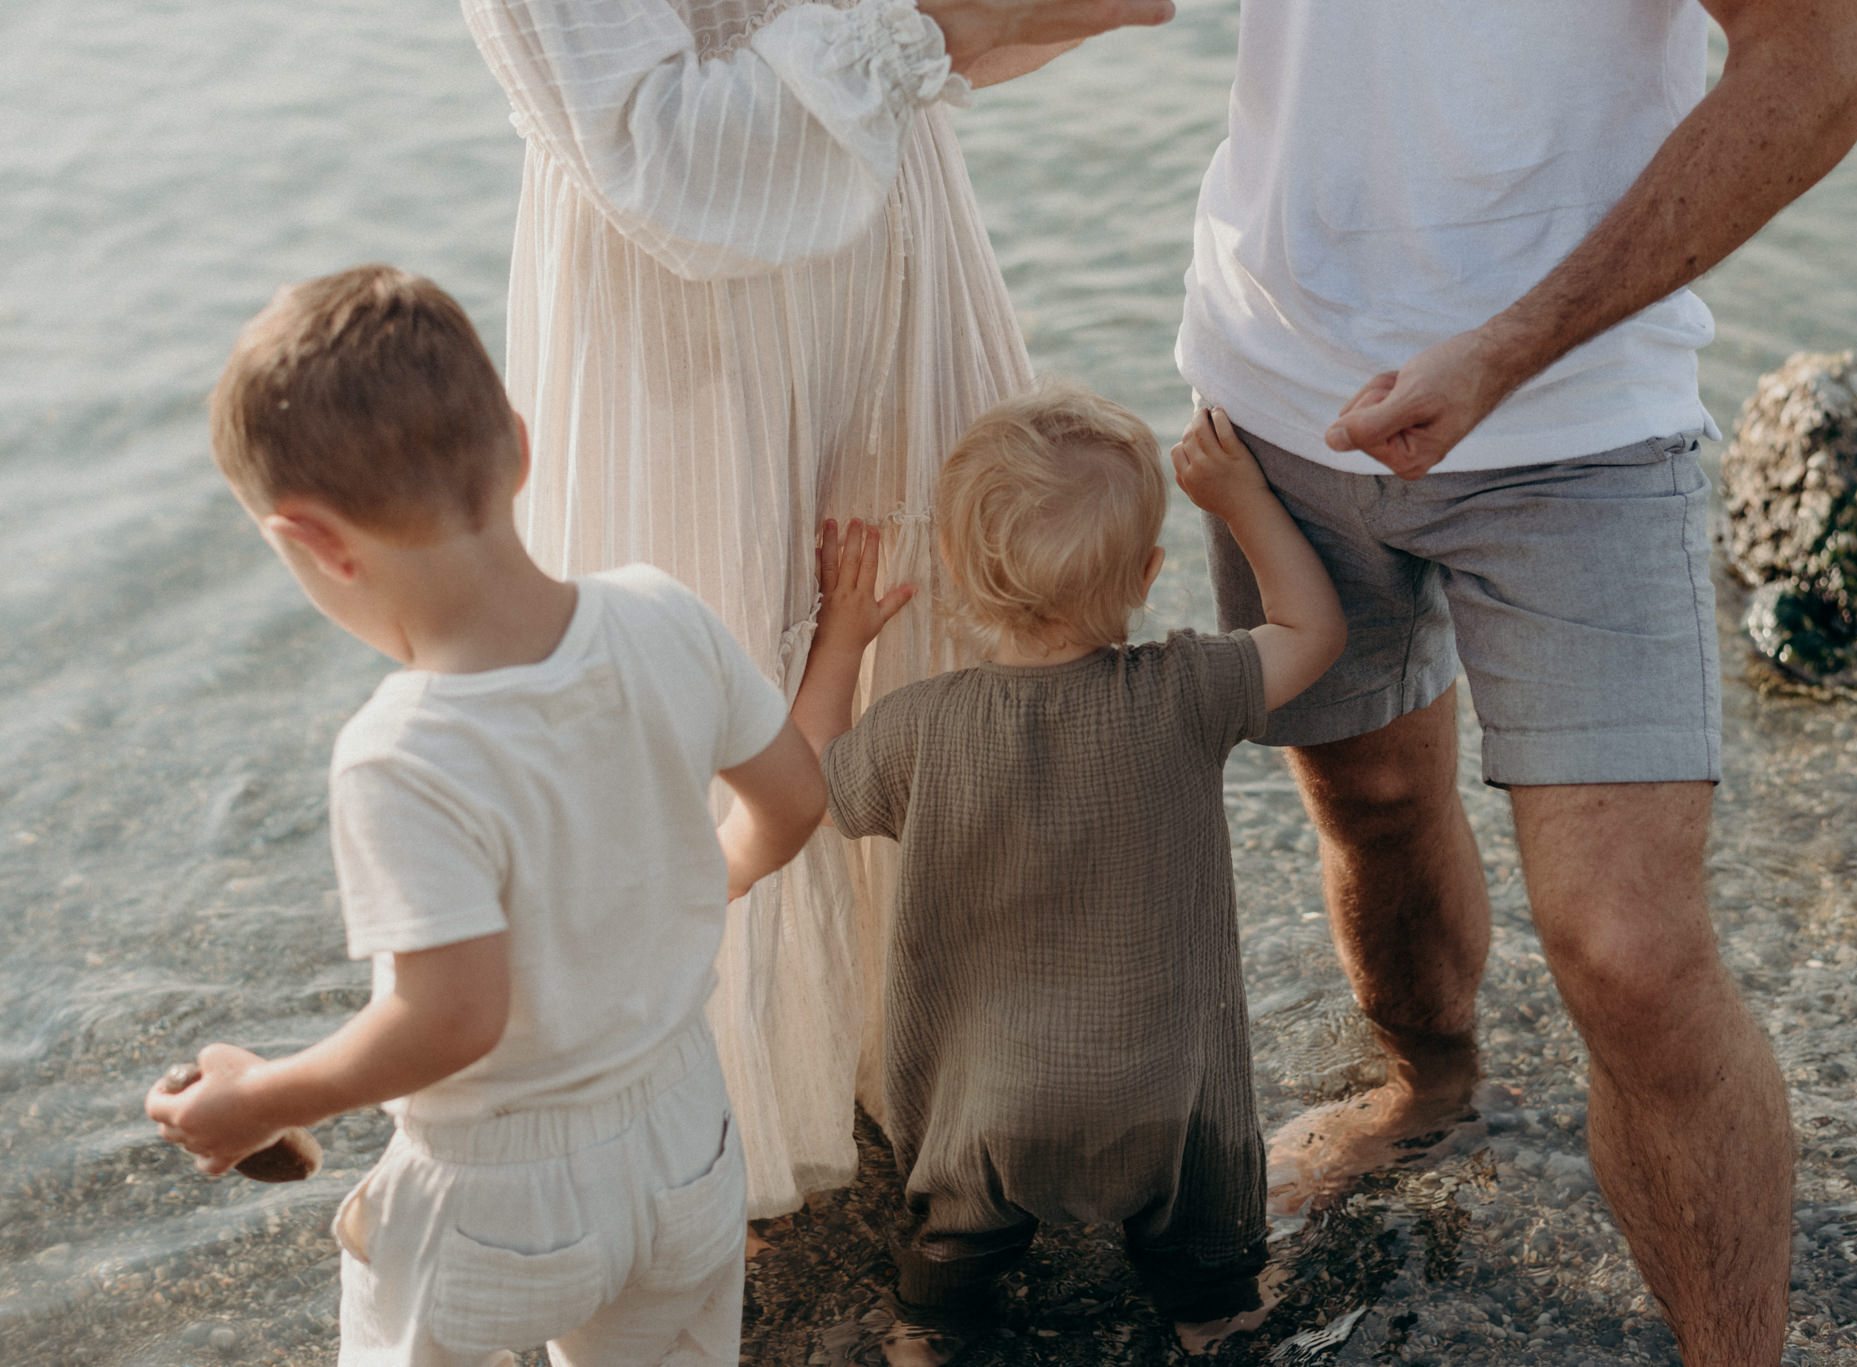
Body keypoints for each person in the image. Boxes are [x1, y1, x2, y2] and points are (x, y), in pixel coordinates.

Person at [1175, 1, 1857, 1363]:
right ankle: (1428, 1090)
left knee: (1630, 949)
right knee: (1373, 797)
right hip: (1275, 382)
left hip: (1581, 418)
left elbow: (1821, 60)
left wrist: (1506, 345)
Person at [459, 0, 1174, 1220]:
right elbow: (657, 151)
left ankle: (975, 1069)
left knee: (953, 632)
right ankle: (705, 1122)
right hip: (678, 315)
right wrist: (947, 19)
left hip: (885, 232)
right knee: (712, 671)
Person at [145, 264, 826, 1365]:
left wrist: (254, 1099)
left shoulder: (399, 751)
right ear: (516, 441)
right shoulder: (661, 611)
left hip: (493, 1192)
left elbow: (449, 1018)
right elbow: (792, 802)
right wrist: (689, 880)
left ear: (315, 540)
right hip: (686, 1132)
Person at [784, 386, 1344, 1363]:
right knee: (1215, 1295)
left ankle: (932, 1331)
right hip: (1172, 1108)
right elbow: (1312, 633)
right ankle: (1213, 1318)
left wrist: (839, 635)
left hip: (985, 1122)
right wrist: (1243, 499)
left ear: (953, 566)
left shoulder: (922, 728)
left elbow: (804, 789)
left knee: (939, 1299)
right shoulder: (1185, 691)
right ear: (1145, 573)